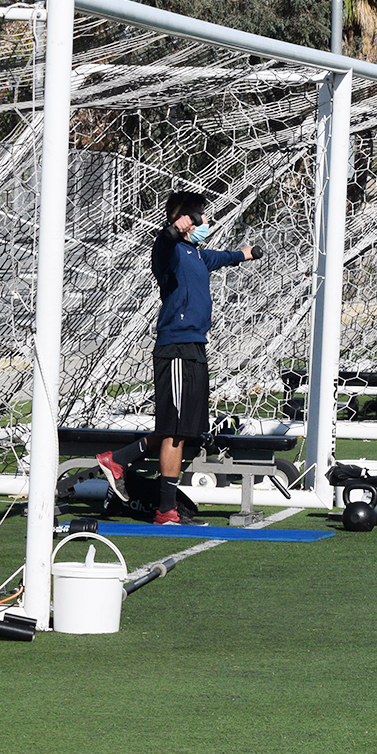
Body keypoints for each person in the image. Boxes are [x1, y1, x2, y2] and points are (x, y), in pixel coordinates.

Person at [96, 191, 259, 526]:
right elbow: (163, 244)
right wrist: (174, 228)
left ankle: (118, 459)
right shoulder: (169, 252)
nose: (206, 222)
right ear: (185, 220)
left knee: (185, 429)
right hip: (175, 348)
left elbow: (224, 257)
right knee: (173, 431)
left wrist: (247, 254)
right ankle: (165, 510)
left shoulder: (198, 255)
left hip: (197, 347)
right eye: (200, 216)